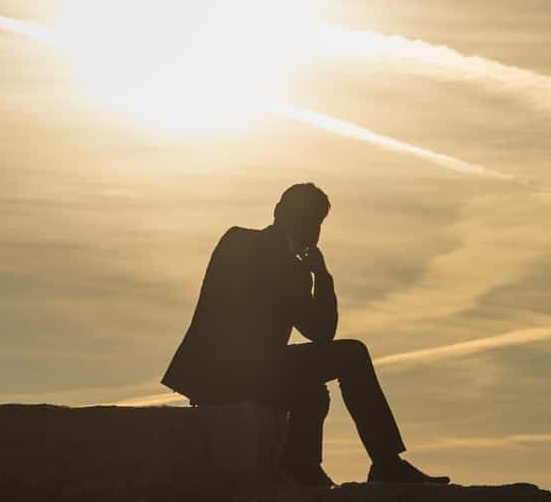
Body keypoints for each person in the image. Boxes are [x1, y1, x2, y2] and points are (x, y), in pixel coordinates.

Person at [162, 182, 447, 486]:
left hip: (245, 373)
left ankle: (303, 467)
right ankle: (385, 462)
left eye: (317, 223)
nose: (312, 231)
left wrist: (321, 276)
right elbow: (321, 335)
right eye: (308, 221)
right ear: (280, 213)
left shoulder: (286, 264)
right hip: (227, 374)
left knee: (312, 391)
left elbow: (320, 332)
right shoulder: (245, 243)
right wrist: (314, 274)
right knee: (353, 354)